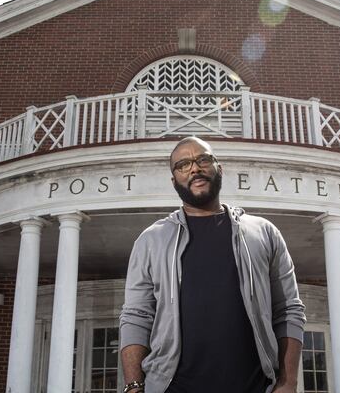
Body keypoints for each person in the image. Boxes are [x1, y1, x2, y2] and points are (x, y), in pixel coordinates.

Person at [119, 137, 306, 393]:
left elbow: (288, 310)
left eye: (203, 159)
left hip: (253, 386)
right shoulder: (151, 239)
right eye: (183, 164)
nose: (194, 168)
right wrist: (133, 386)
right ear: (174, 181)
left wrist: (288, 382)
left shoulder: (263, 232)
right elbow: (136, 316)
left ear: (219, 168)